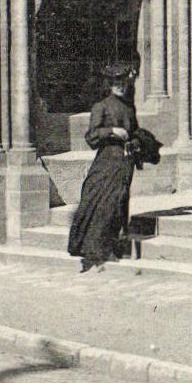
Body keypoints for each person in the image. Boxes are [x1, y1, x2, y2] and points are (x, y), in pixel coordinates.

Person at [67, 61, 138, 273]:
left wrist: (134, 142)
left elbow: (133, 132)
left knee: (119, 202)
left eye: (123, 82)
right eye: (116, 83)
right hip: (107, 160)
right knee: (98, 202)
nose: (121, 86)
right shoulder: (101, 106)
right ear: (109, 85)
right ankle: (92, 254)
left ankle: (113, 249)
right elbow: (91, 136)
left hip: (125, 162)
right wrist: (113, 131)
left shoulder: (129, 107)